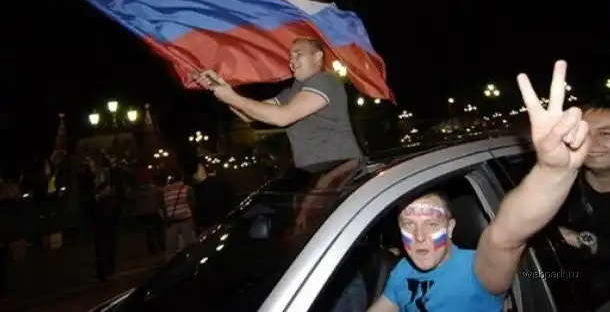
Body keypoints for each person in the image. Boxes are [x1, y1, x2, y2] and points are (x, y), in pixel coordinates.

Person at [368, 60, 591, 312]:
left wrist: (552, 172)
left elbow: (506, 236)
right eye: (408, 225)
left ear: (450, 228)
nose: (419, 237)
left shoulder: (476, 271)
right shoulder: (402, 271)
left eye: (432, 224)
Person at [193, 37, 362, 173]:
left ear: (317, 56)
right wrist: (219, 88)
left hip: (342, 168)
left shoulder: (325, 80)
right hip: (317, 172)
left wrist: (232, 97)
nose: (292, 61)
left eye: (298, 54)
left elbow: (283, 117)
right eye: (290, 57)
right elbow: (248, 115)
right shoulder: (290, 93)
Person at [554, 95, 610, 308]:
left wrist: (579, 239)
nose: (591, 143)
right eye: (584, 133)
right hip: (560, 283)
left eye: (605, 133)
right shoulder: (558, 183)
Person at [163, 174, 196, 260]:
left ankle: (171, 262)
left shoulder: (165, 190)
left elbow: (163, 206)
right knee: (191, 244)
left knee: (171, 247)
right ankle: (193, 260)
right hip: (186, 218)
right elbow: (192, 202)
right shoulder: (187, 188)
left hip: (171, 220)